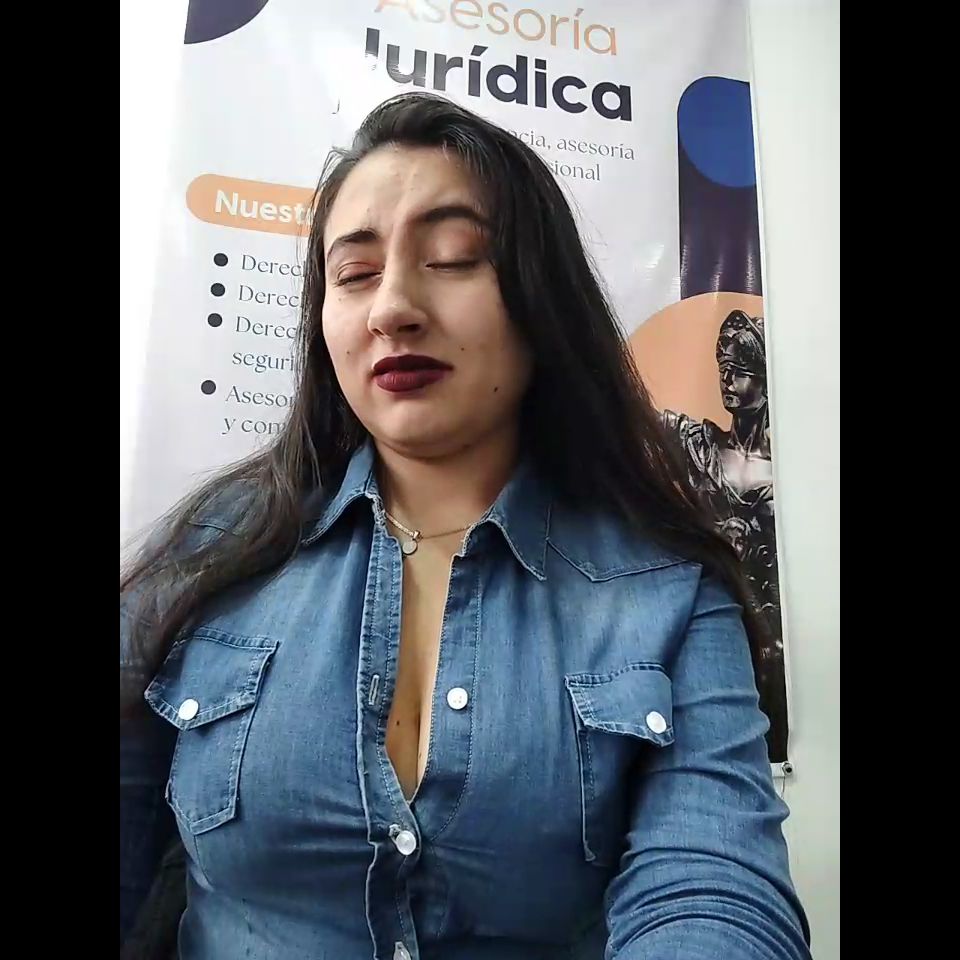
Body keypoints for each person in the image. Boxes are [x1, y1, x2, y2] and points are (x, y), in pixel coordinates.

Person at [120, 92, 811, 959]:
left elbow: (714, 891)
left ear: (540, 300)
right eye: (354, 273)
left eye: (451, 258)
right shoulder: (208, 554)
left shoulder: (669, 591)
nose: (392, 307)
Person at [662, 310, 787, 757]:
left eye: (740, 370)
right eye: (723, 368)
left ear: (765, 376)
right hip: (713, 628)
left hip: (786, 640)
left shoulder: (797, 458)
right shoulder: (701, 446)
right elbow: (632, 416)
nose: (727, 380)